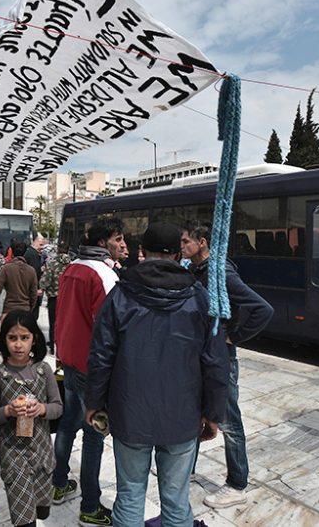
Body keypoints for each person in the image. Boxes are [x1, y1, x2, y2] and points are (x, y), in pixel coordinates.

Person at [85, 223, 229, 527]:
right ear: (178, 255)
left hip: (129, 414)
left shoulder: (120, 295)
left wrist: (94, 402)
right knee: (177, 500)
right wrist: (213, 413)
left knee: (130, 494)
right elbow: (216, 363)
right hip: (183, 414)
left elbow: (101, 356)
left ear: (141, 252)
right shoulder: (200, 298)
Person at [181, 219, 273, 509]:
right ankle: (188, 470)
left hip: (221, 359)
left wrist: (234, 337)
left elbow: (262, 309)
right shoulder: (196, 270)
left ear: (202, 242)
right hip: (200, 356)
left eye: (186, 241)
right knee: (196, 413)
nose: (181, 246)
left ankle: (237, 484)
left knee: (229, 422)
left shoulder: (221, 272)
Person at [52, 217, 126, 527]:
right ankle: (90, 506)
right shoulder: (104, 274)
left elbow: (60, 314)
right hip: (91, 368)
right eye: (118, 238)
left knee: (69, 424)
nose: (124, 244)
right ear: (102, 243)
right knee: (95, 436)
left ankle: (58, 483)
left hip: (69, 360)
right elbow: (110, 330)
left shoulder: (72, 268)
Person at [0, 310, 63, 527]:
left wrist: (41, 409)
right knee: (25, 520)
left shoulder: (44, 371)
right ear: (3, 339)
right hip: (13, 455)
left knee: (42, 511)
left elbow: (58, 407)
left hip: (42, 454)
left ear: (34, 339)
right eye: (12, 338)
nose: (18, 345)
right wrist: (7, 411)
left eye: (24, 338)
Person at [39, 240, 72, 355]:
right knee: (68, 323)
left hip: (54, 298)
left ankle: (54, 346)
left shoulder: (52, 264)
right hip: (69, 299)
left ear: (57, 252)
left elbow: (45, 280)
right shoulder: (73, 265)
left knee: (54, 323)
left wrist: (42, 288)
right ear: (68, 252)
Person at [0, 241, 38, 324]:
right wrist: (29, 308)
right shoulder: (31, 270)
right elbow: (34, 294)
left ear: (12, 253)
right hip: (25, 309)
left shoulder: (6, 269)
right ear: (25, 253)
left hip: (8, 310)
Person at [24, 235, 46, 319]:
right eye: (40, 244)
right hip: (32, 291)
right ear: (34, 243)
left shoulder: (29, 252)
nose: (42, 247)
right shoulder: (33, 254)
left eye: (42, 245)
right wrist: (36, 290)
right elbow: (34, 273)